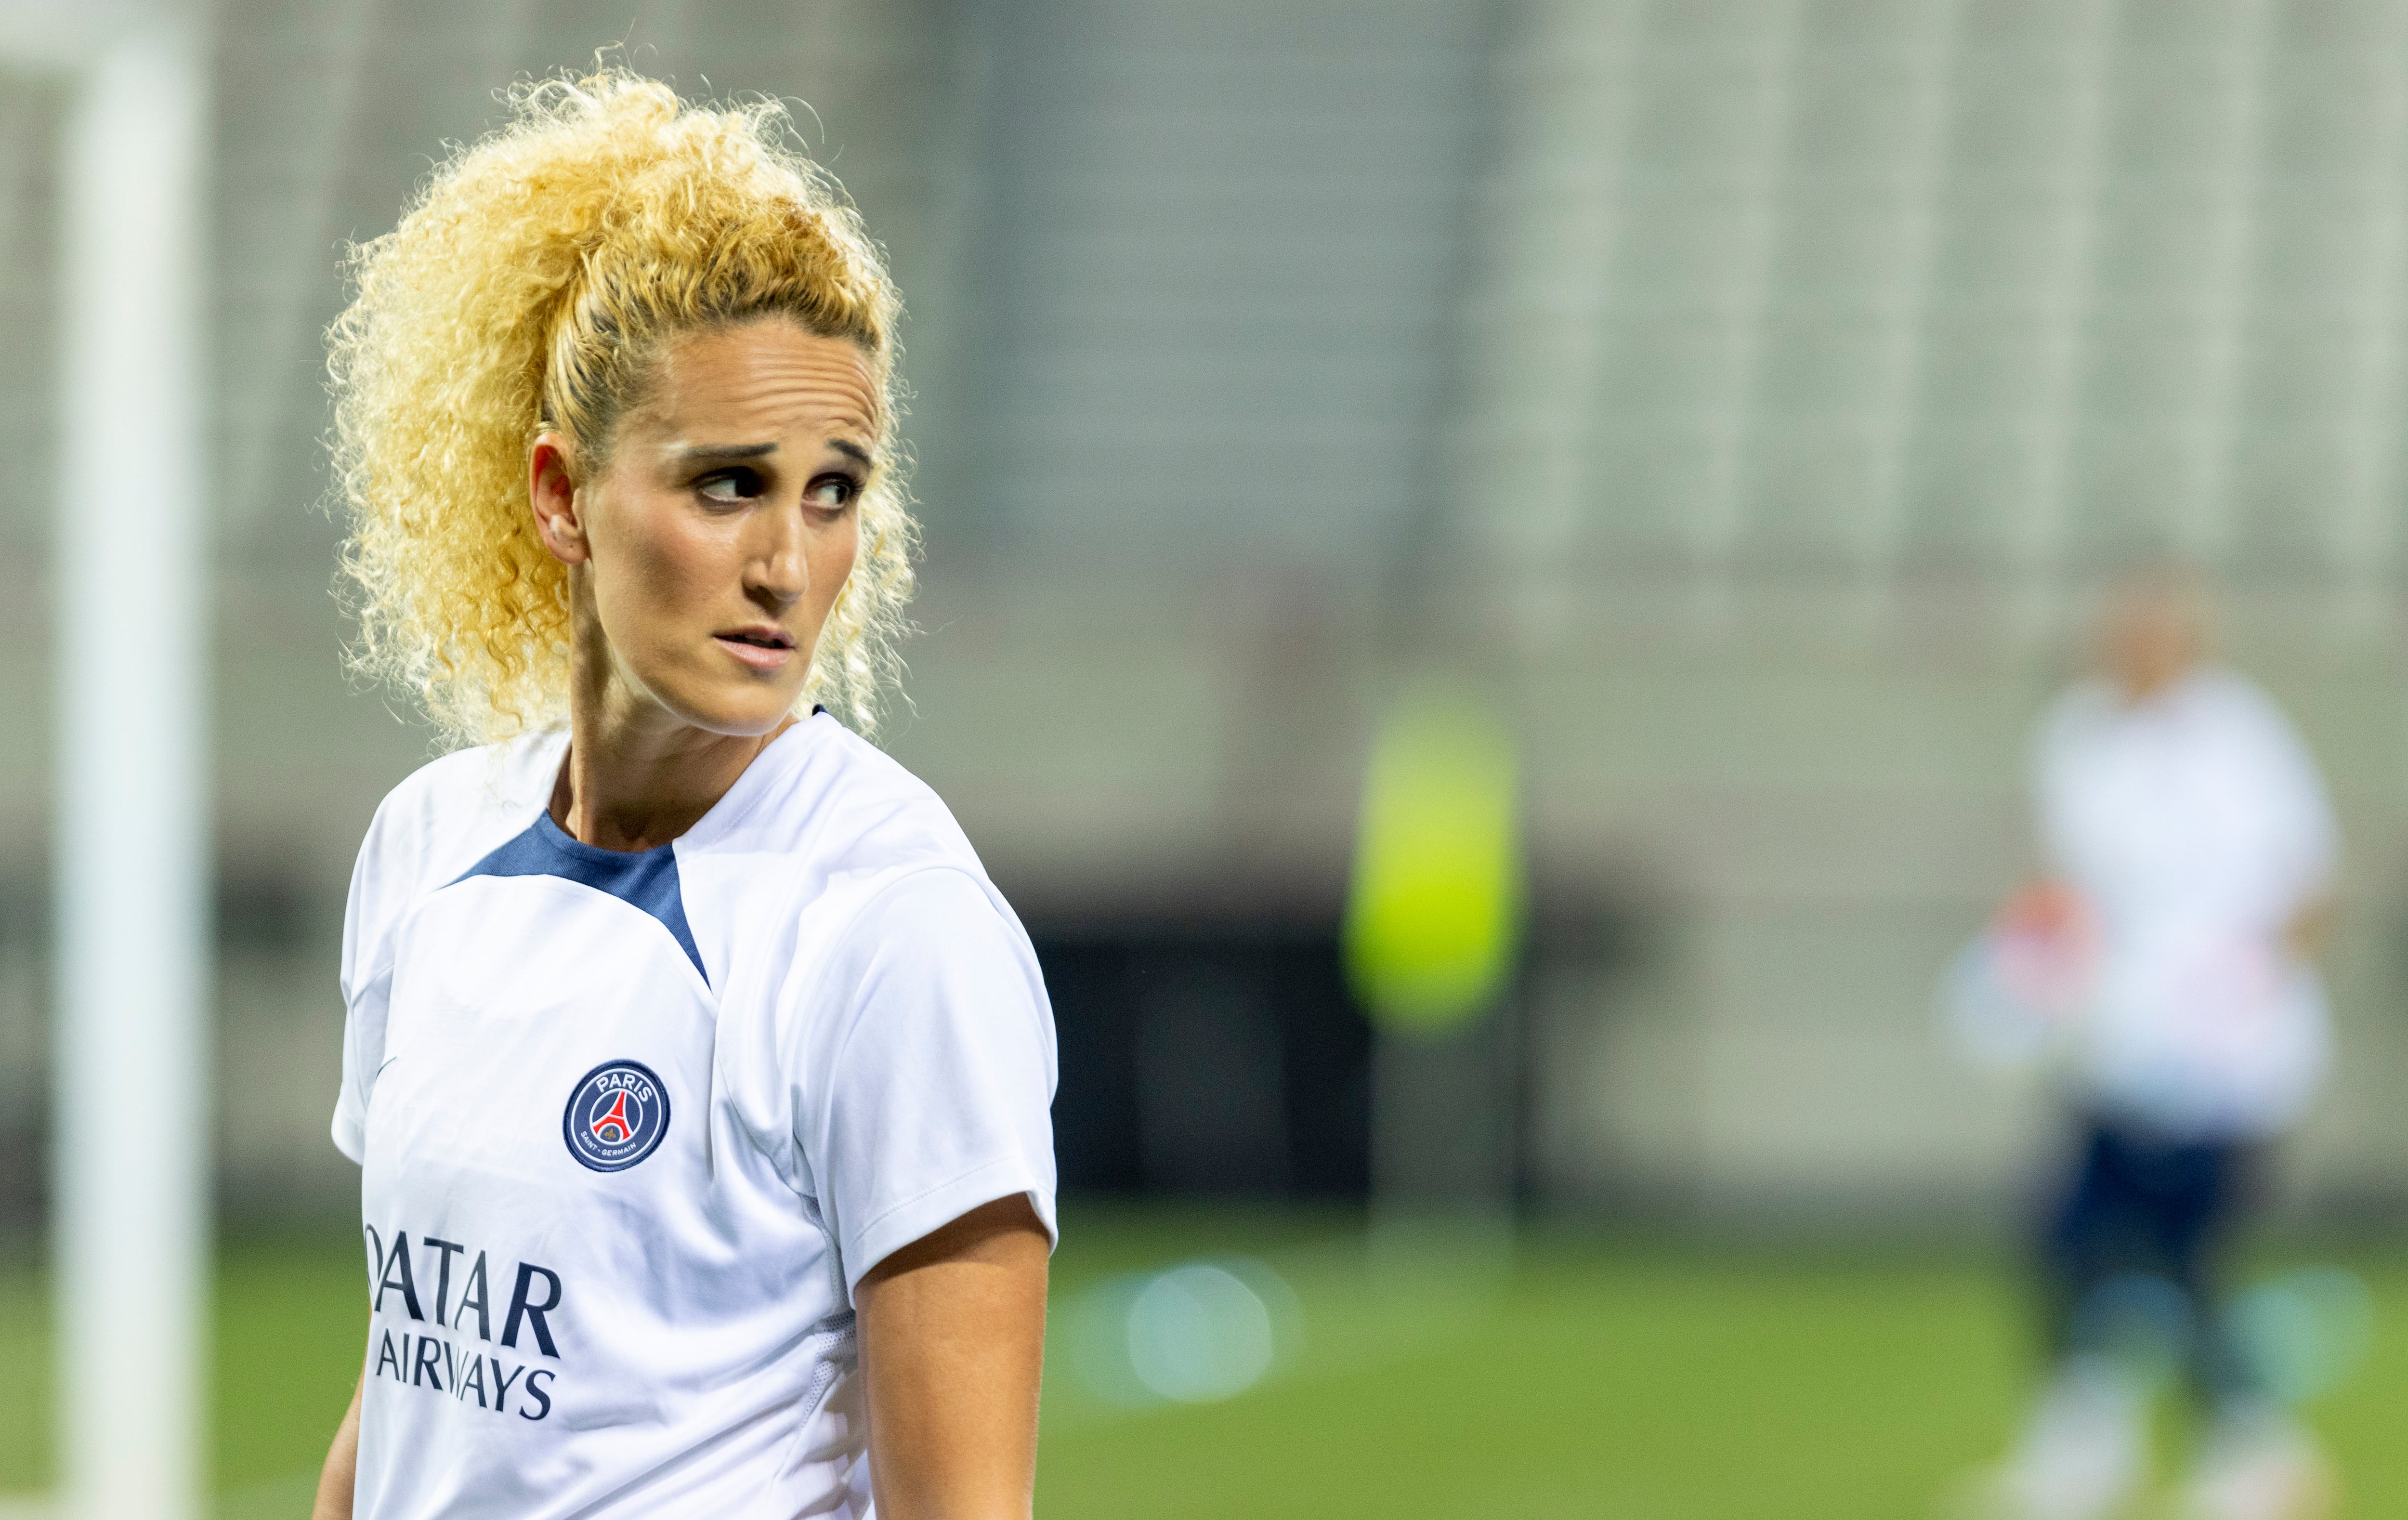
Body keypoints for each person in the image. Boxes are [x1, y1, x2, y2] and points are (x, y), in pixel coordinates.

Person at [307, 70, 1057, 1520]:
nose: (789, 562)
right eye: (727, 485)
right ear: (560, 495)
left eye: (833, 490)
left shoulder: (897, 930)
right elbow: (412, 1385)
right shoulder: (427, 851)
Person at [1951, 568, 2339, 1520]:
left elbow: (2311, 884)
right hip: (2110, 1041)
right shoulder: (2079, 738)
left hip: (2221, 1053)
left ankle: (2251, 1453)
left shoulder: (2239, 738)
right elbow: (2063, 884)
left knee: (2186, 1256)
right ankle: (2083, 1449)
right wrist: (2029, 971)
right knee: (2070, 1242)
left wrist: (2245, 992)